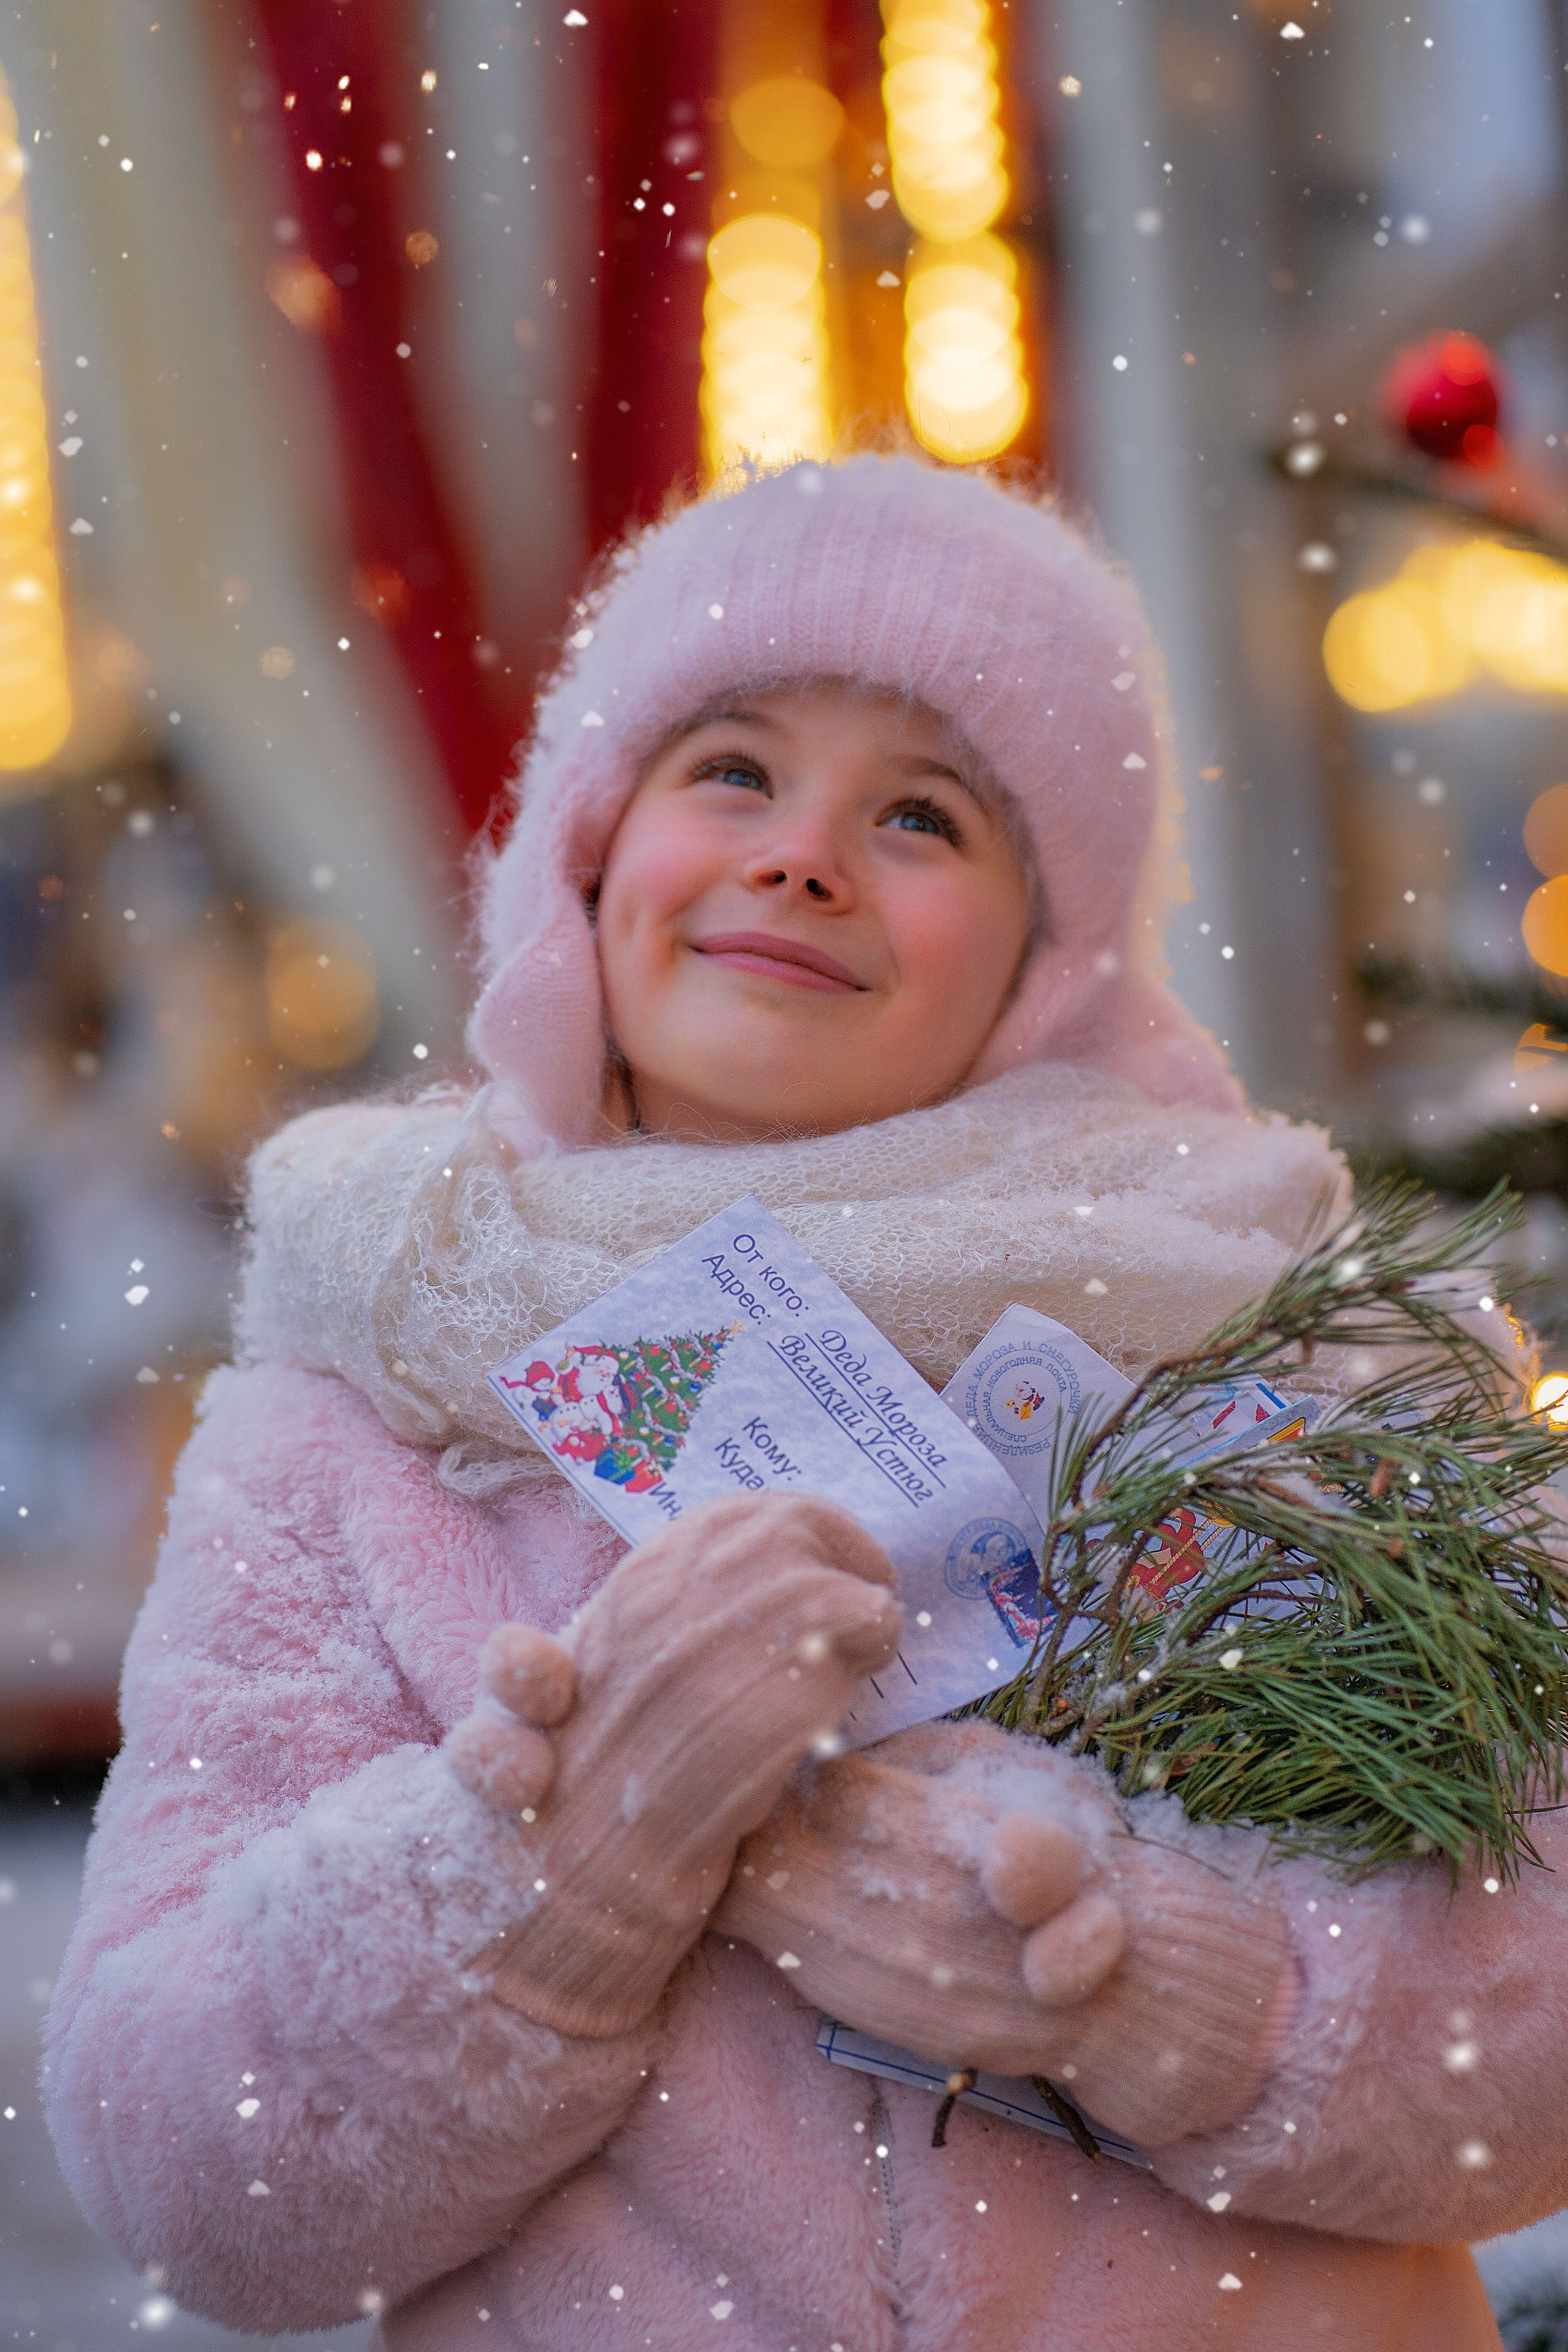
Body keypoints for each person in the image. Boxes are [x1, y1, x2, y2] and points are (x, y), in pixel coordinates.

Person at [44, 455, 1557, 2351]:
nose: (804, 854)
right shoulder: (353, 1411)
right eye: (732, 770)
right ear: (587, 858)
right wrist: (563, 1858)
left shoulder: (1292, 1348)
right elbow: (192, 2179)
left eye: (923, 814)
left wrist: (1160, 1990)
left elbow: (1540, 2030)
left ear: (1046, 960)